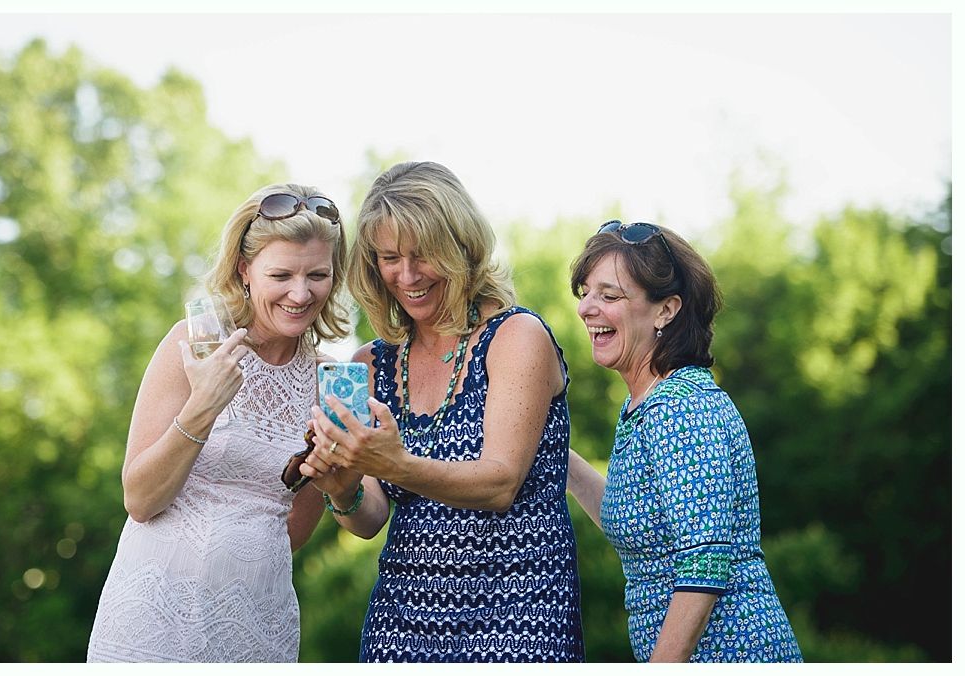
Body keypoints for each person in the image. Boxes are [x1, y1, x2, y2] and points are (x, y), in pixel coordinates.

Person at [297, 161, 585, 662]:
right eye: (389, 257)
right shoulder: (372, 362)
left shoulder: (515, 337)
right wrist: (339, 487)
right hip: (401, 625)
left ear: (461, 247)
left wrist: (396, 465)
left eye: (422, 255)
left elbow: (499, 484)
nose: (406, 276)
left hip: (520, 619)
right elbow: (370, 519)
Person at [86, 184, 350, 662]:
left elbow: (295, 530)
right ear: (244, 270)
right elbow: (140, 500)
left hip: (257, 623)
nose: (300, 292)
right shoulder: (193, 344)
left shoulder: (329, 381)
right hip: (152, 619)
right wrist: (204, 405)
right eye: (281, 274)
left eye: (317, 274)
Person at [565, 220, 803, 662]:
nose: (586, 309)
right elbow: (635, 522)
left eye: (609, 295)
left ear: (666, 310)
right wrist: (555, 452)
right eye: (586, 293)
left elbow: (705, 563)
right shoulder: (647, 405)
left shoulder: (681, 409)